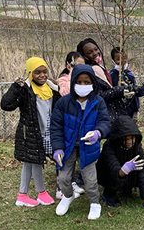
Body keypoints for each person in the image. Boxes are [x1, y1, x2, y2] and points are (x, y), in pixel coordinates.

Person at [50, 64, 111, 219]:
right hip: (67, 146)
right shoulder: (63, 103)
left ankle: (94, 203)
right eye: (80, 82)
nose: (83, 85)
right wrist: (57, 148)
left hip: (88, 146)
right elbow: (55, 126)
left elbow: (105, 122)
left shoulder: (98, 102)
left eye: (87, 82)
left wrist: (98, 133)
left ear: (93, 83)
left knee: (90, 179)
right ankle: (68, 196)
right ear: (73, 83)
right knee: (63, 178)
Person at [1, 57, 59, 207]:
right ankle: (41, 192)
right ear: (30, 73)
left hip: (47, 132)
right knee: (35, 161)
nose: (42, 75)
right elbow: (6, 105)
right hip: (30, 133)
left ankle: (22, 194)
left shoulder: (52, 89)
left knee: (30, 162)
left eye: (44, 72)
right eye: (37, 72)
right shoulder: (25, 90)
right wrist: (16, 86)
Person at [97, 115, 144, 211]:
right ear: (119, 137)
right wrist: (123, 171)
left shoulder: (137, 146)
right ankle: (109, 194)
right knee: (113, 177)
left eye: (131, 138)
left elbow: (143, 171)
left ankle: (127, 189)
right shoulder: (109, 146)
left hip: (130, 173)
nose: (129, 142)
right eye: (126, 139)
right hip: (109, 175)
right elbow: (112, 168)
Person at [76, 38, 135, 122]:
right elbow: (98, 96)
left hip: (113, 113)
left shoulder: (101, 67)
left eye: (96, 49)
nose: (95, 53)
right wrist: (119, 91)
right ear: (84, 56)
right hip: (103, 116)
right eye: (89, 52)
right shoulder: (90, 72)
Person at [56, 51, 85, 199]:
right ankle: (60, 187)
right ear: (69, 65)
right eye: (77, 66)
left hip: (78, 127)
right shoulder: (64, 80)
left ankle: (72, 181)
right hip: (66, 125)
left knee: (76, 155)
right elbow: (66, 93)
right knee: (64, 156)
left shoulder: (82, 82)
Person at [109, 47, 140, 119]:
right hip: (117, 110)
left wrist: (136, 108)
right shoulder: (111, 75)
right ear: (113, 60)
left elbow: (135, 93)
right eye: (118, 59)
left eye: (124, 58)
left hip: (130, 109)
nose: (122, 61)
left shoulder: (130, 74)